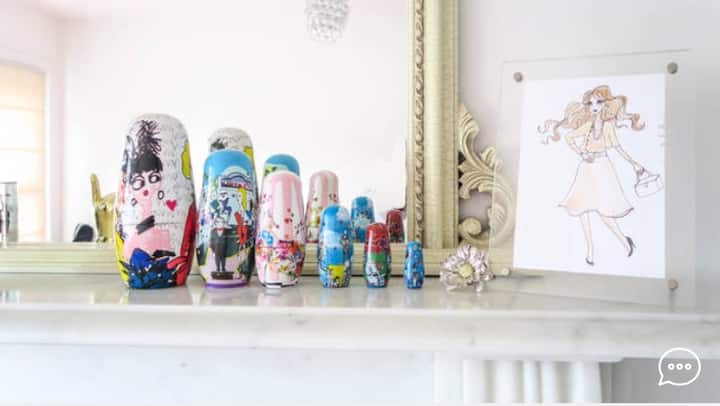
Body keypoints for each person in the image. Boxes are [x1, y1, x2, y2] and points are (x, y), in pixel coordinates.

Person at [538, 85, 646, 265]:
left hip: (603, 168)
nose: (594, 106)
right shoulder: (587, 125)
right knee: (582, 208)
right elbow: (569, 138)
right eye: (590, 103)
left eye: (599, 102)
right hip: (587, 167)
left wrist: (635, 164)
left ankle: (624, 241)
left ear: (606, 104)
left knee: (604, 210)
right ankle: (590, 249)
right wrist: (582, 153)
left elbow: (618, 148)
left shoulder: (608, 126)